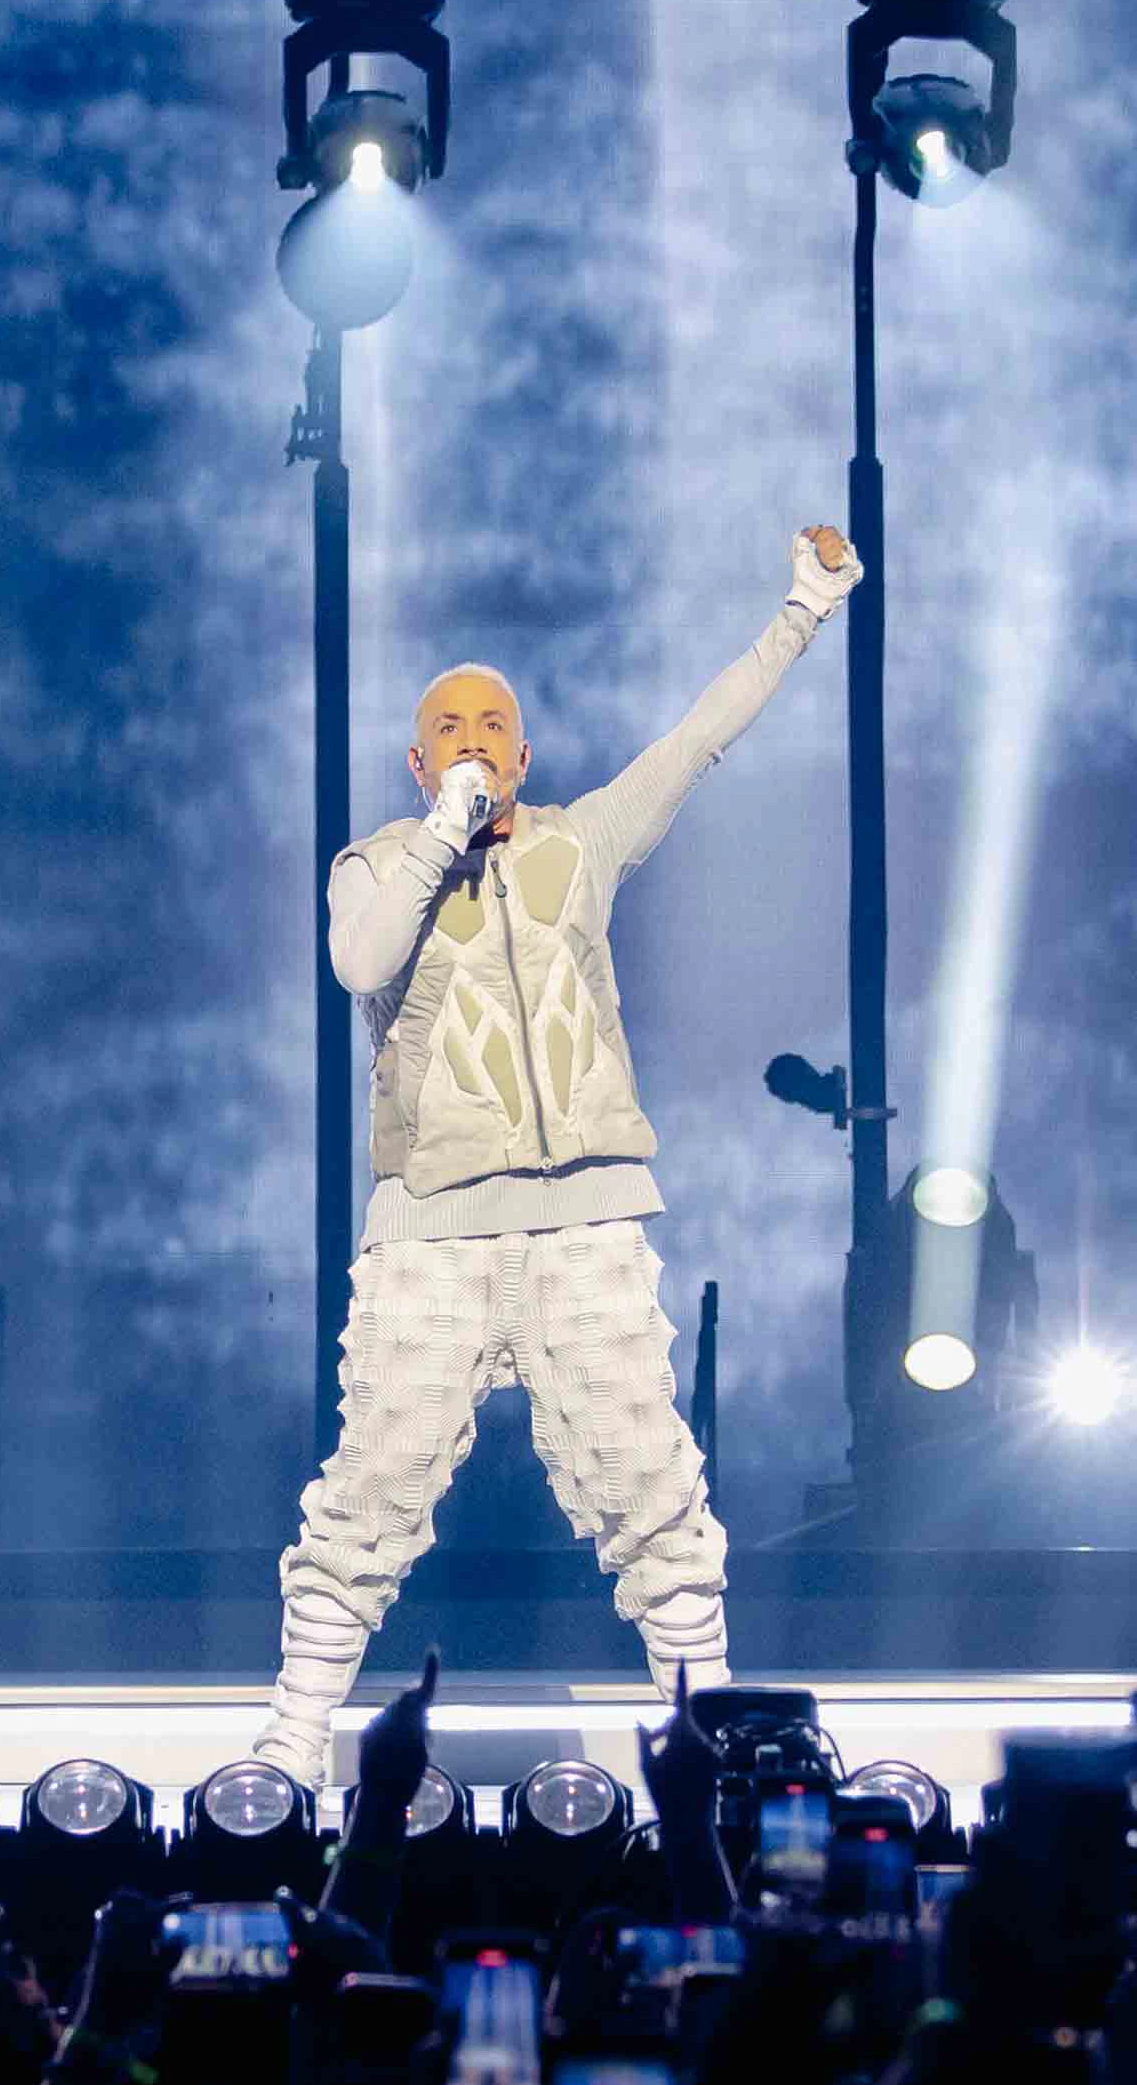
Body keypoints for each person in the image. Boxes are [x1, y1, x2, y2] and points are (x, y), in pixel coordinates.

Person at [246, 528, 864, 1785]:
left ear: (523, 753)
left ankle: (708, 1750)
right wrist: (437, 836)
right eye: (448, 726)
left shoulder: (580, 844)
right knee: (372, 1489)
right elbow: (360, 964)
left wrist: (802, 606)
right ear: (417, 759)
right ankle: (291, 1736)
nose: (473, 735)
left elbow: (700, 737)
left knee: (648, 1482)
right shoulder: (373, 864)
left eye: (494, 724)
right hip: (433, 1228)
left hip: (585, 1218)